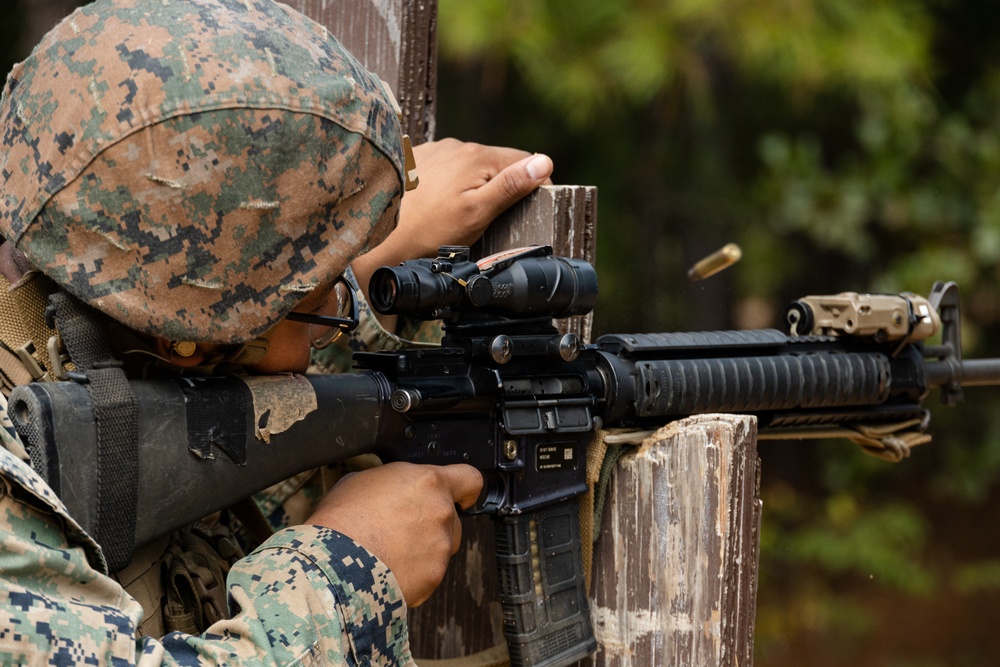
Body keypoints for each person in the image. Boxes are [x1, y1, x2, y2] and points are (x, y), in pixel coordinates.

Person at [0, 0, 554, 664]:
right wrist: (344, 576)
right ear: (191, 337)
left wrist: (340, 259)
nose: (335, 316)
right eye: (321, 301)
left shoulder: (112, 354)